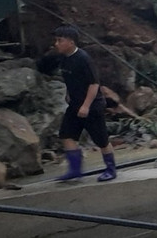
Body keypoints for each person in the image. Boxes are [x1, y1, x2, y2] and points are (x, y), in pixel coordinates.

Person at [37, 25, 116, 182]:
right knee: (66, 135)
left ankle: (111, 169)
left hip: (92, 106)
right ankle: (75, 170)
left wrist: (86, 106)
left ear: (71, 42)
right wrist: (68, 94)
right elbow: (71, 79)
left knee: (101, 140)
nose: (56, 44)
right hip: (74, 104)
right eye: (56, 40)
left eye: (60, 40)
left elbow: (94, 84)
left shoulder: (83, 59)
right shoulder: (64, 59)